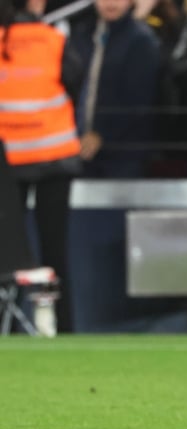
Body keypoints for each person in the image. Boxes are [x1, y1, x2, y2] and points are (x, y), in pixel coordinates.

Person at [0, 0, 83, 332]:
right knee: (54, 252)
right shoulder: (54, 40)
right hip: (55, 158)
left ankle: (8, 325)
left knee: (8, 253)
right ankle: (61, 326)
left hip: (8, 163)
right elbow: (75, 82)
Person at [68, 0, 161, 178]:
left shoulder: (140, 39)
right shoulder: (82, 33)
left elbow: (138, 100)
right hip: (79, 147)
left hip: (123, 154)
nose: (111, 2)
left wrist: (101, 134)